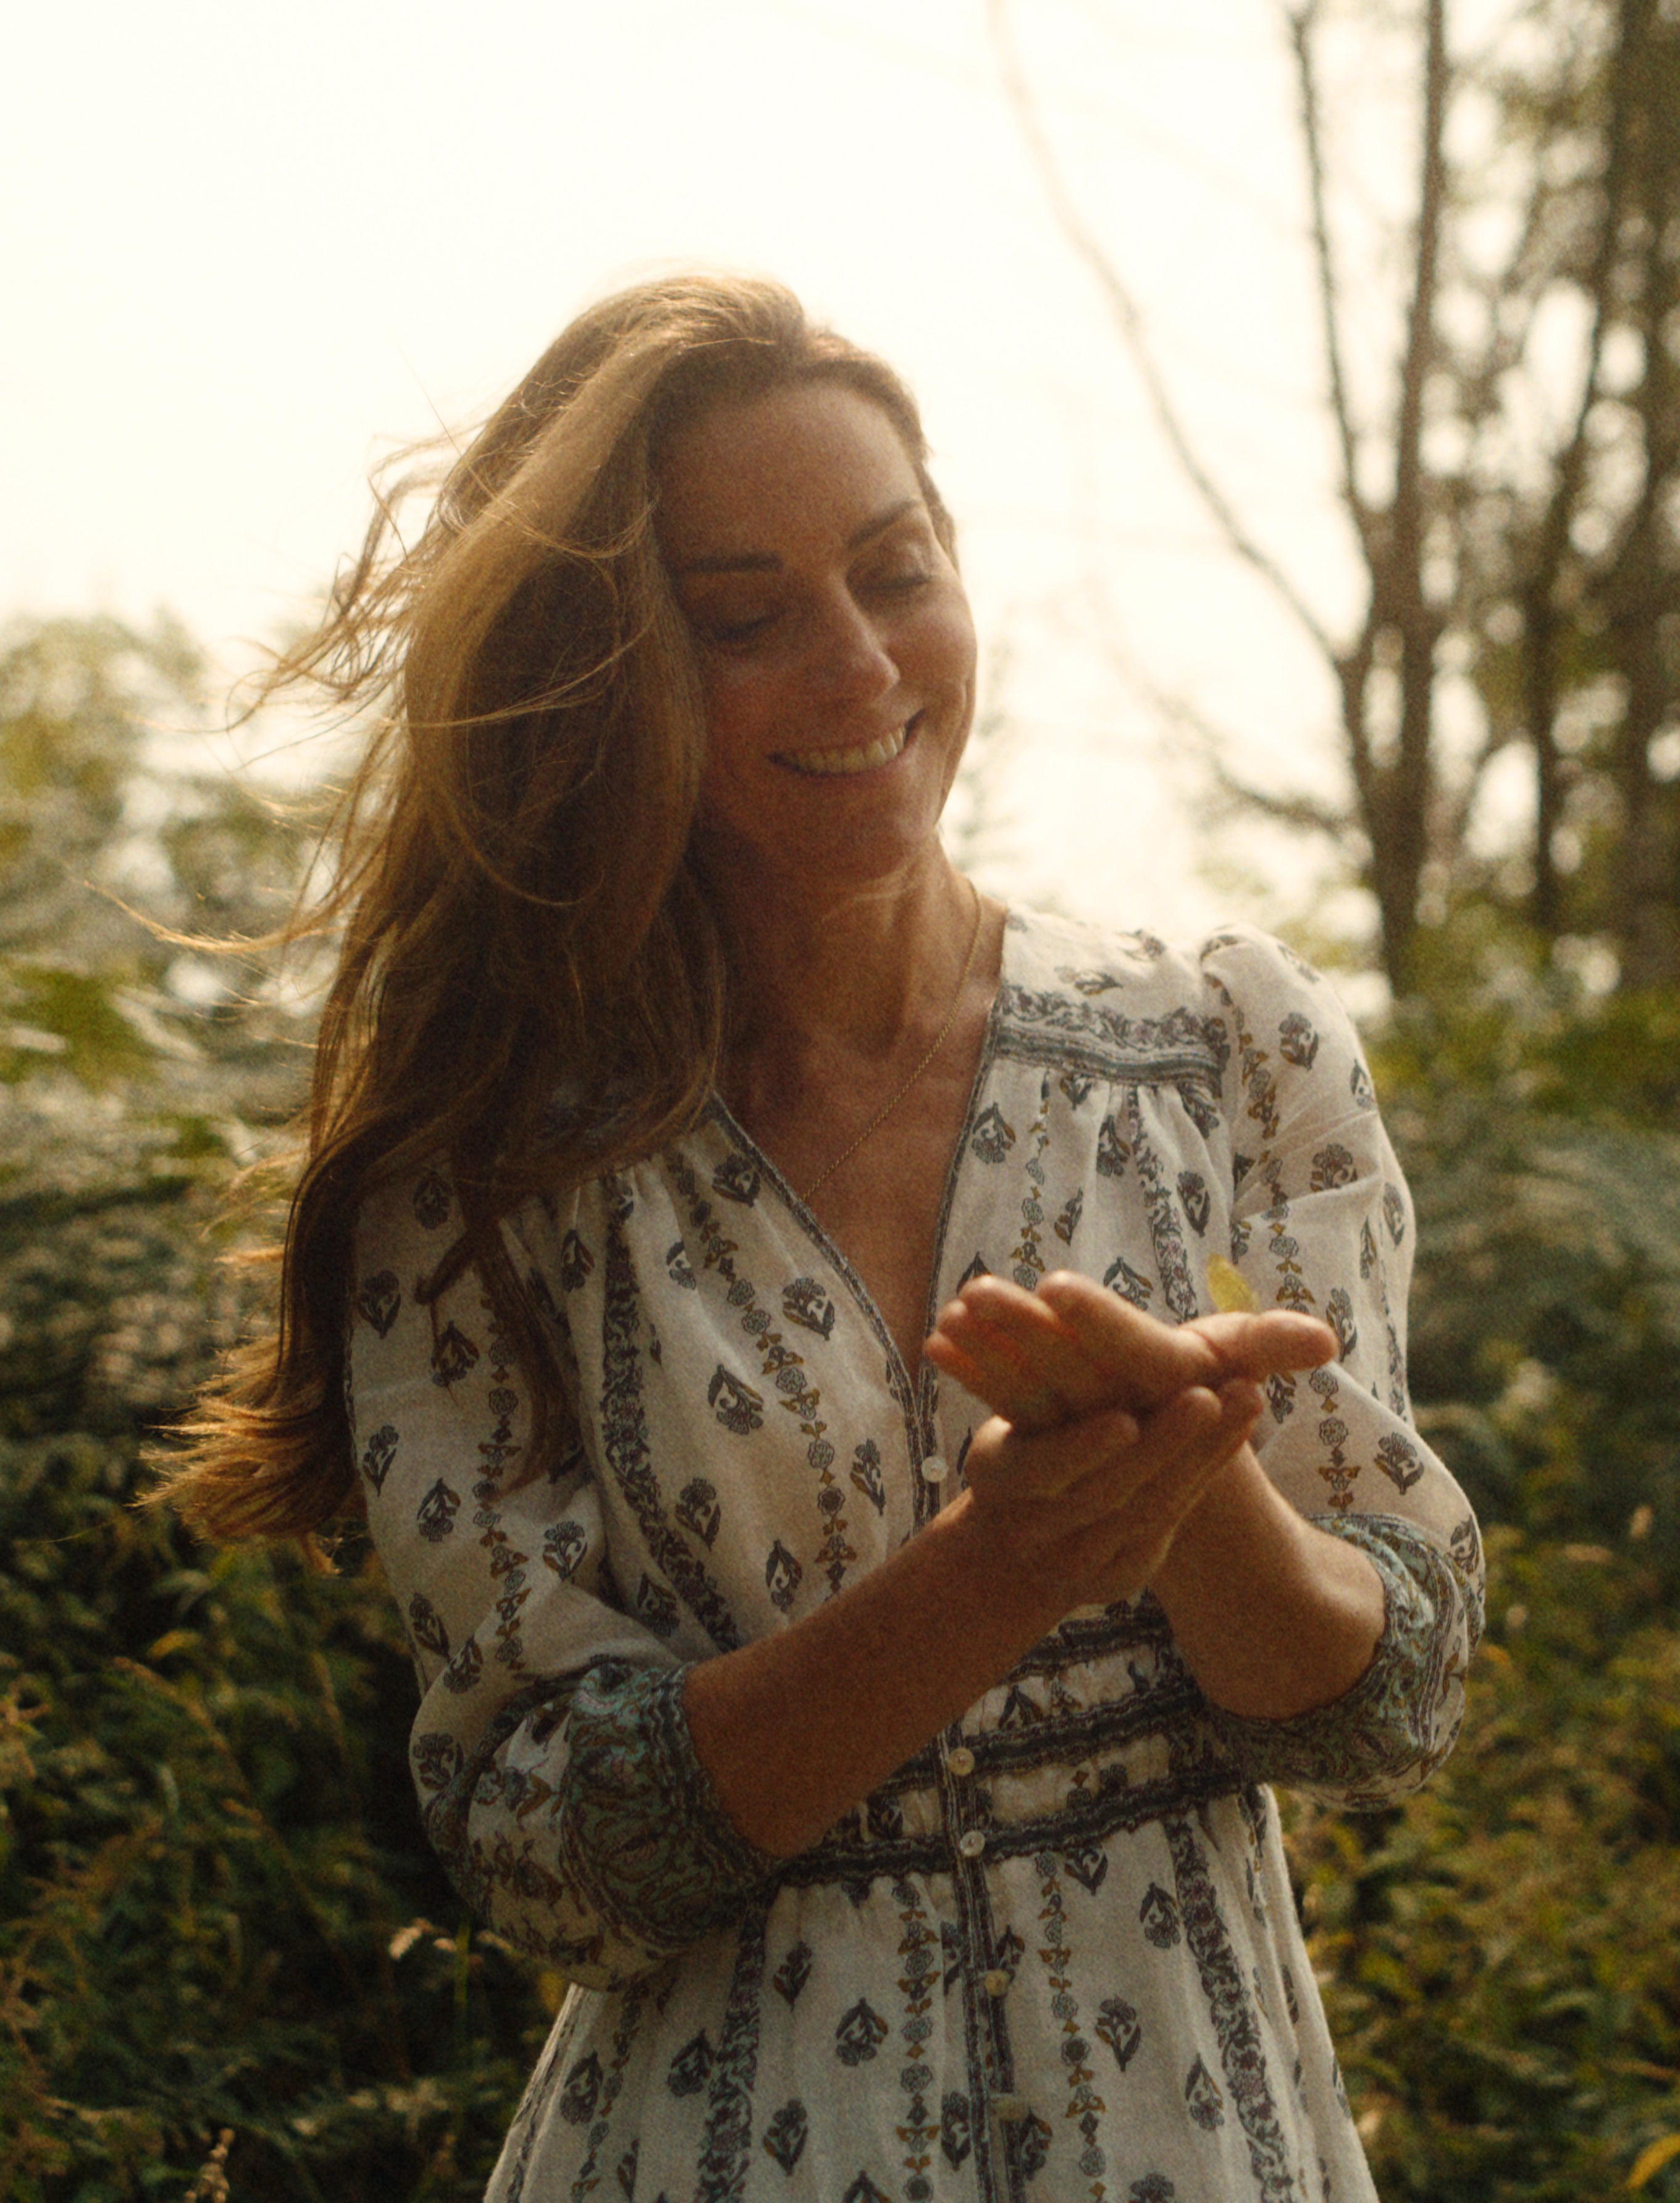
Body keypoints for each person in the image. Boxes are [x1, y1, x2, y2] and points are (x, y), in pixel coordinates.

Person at [169, 272, 1480, 2201]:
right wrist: (990, 1570)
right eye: (745, 620)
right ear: (610, 677)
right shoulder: (486, 1181)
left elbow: (1391, 1705)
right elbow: (542, 1853)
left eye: (896, 570)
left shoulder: (1227, 1052)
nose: (862, 668)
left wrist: (1188, 1485)